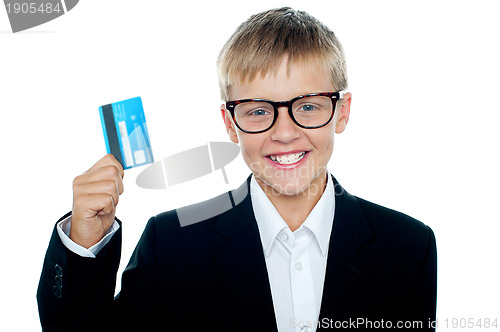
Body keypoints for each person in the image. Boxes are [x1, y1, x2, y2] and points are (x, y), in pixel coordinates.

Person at [37, 7, 437, 332]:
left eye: (309, 106)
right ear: (230, 124)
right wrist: (84, 243)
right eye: (259, 111)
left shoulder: (406, 247)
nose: (285, 132)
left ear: (342, 112)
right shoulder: (172, 243)